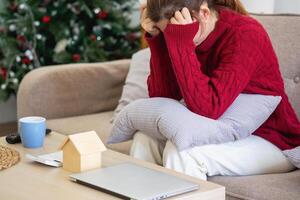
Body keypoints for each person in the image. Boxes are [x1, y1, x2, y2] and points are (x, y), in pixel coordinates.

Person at [130, 0, 300, 180]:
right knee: (144, 139)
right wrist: (158, 41)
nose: (171, 38)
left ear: (204, 13)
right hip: (219, 132)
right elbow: (163, 97)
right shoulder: (179, 29)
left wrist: (181, 42)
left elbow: (208, 108)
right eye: (167, 33)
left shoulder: (245, 33)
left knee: (183, 151)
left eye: (172, 34)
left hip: (272, 140)